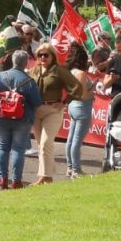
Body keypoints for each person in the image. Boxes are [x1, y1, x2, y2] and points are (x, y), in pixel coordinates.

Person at [27, 44, 84, 186]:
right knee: (41, 145)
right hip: (36, 111)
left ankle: (44, 176)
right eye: (40, 55)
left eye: (46, 55)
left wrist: (64, 102)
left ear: (52, 56)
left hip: (53, 110)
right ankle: (48, 176)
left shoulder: (59, 71)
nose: (43, 58)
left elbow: (77, 87)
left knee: (46, 143)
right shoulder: (33, 71)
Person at [0, 51, 42, 190]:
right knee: (18, 149)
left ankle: (2, 178)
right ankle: (16, 181)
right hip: (22, 119)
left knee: (2, 147)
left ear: (12, 60)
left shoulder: (0, 76)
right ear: (26, 63)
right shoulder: (29, 81)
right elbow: (37, 102)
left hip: (2, 117)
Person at [62, 43, 96, 180]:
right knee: (76, 140)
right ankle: (76, 170)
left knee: (71, 139)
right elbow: (82, 94)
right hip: (82, 106)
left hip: (73, 107)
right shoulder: (80, 73)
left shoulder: (71, 72)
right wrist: (92, 90)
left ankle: (70, 167)